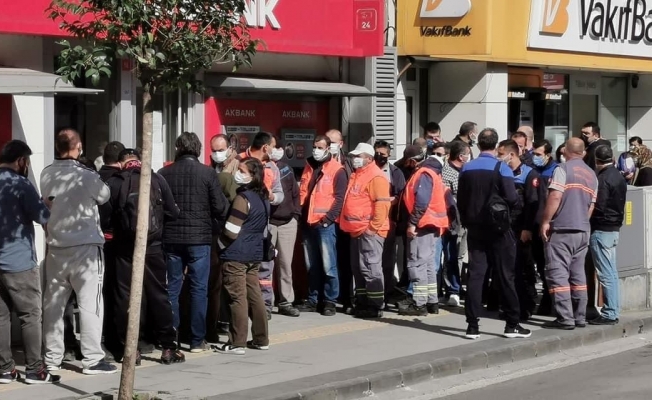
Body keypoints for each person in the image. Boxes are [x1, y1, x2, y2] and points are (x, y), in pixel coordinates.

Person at [40, 128, 116, 374]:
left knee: (53, 306)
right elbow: (105, 196)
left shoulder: (46, 173)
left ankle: (52, 359)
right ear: (79, 146)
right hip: (85, 249)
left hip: (56, 248)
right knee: (90, 304)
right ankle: (92, 358)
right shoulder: (87, 175)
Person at [107, 149, 185, 365]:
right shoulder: (156, 179)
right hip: (153, 247)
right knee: (159, 295)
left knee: (124, 297)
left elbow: (105, 217)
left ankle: (130, 351)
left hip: (124, 249)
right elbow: (173, 212)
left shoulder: (115, 182)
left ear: (122, 163)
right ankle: (168, 348)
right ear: (139, 161)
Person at [457, 128, 530, 340]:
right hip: (500, 229)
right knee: (505, 275)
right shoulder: (502, 168)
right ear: (496, 146)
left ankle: (472, 325)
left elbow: (461, 199)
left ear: (478, 145)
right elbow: (511, 198)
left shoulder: (467, 168)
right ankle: (512, 324)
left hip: (475, 229)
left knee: (476, 275)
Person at [158, 131, 228, 353]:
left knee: (172, 288)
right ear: (197, 149)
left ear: (177, 148)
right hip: (200, 239)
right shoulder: (207, 173)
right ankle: (197, 340)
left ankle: (172, 338)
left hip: (171, 238)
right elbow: (220, 207)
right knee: (199, 289)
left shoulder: (164, 173)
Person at [0, 140, 59, 384]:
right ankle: (35, 369)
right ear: (21, 161)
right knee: (30, 315)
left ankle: (5, 369)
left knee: (1, 317)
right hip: (19, 261)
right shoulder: (21, 184)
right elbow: (41, 216)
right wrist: (46, 204)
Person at [540, 138, 598, 330]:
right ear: (583, 152)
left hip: (562, 229)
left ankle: (565, 318)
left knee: (558, 274)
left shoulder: (562, 169)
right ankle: (580, 316)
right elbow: (591, 207)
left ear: (565, 150)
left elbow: (555, 196)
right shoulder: (592, 175)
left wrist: (546, 221)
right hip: (582, 230)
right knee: (578, 275)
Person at [215, 158, 270, 355]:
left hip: (236, 253)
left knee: (237, 297)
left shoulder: (242, 198)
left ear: (252, 176)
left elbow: (231, 230)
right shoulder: (263, 198)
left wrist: (219, 245)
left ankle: (237, 342)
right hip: (254, 253)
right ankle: (261, 338)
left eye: (242, 170)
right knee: (255, 295)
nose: (238, 173)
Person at [340, 143, 391, 319]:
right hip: (357, 230)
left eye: (358, 156)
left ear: (368, 159)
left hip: (369, 231)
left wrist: (372, 229)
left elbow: (382, 204)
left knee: (371, 268)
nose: (355, 159)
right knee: (359, 268)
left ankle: (375, 305)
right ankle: (362, 302)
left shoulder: (375, 176)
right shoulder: (358, 175)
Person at [237, 132, 284, 318]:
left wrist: (272, 197)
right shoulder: (240, 161)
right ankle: (245, 305)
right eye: (273, 146)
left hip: (264, 227)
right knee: (242, 268)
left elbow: (280, 194)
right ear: (266, 147)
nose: (275, 150)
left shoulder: (273, 167)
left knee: (265, 268)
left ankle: (264, 306)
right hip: (242, 224)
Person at [298, 135, 346, 316]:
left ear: (328, 149)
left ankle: (330, 301)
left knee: (329, 265)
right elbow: (304, 192)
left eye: (320, 147)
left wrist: (328, 219)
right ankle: (313, 299)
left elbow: (339, 198)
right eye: (315, 146)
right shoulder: (309, 166)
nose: (316, 150)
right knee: (312, 265)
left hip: (324, 224)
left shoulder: (337, 170)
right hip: (308, 223)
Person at [497, 140, 543, 320]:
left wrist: (527, 228)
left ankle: (526, 306)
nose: (498, 157)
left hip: (522, 228)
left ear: (512, 154)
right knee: (509, 269)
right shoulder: (503, 172)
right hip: (506, 227)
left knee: (524, 269)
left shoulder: (530, 174)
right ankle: (511, 306)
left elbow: (533, 204)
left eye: (501, 154)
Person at [401, 150, 450, 316]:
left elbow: (421, 201)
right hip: (433, 225)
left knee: (417, 264)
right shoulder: (435, 175)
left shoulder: (424, 173)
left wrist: (412, 223)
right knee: (428, 264)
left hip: (422, 224)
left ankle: (419, 303)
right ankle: (432, 301)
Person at [589, 145, 627, 325]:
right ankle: (612, 310)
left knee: (605, 272)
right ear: (612, 158)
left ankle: (610, 312)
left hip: (602, 229)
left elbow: (599, 206)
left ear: (597, 160)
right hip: (613, 228)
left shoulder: (602, 179)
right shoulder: (618, 176)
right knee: (611, 271)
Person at [96, 140, 126, 361]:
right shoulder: (121, 181)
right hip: (117, 242)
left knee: (98, 293)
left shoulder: (94, 178)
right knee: (117, 291)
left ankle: (101, 337)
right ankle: (115, 339)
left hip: (96, 242)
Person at [269, 137, 301, 317]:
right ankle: (265, 303)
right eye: (274, 147)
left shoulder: (286, 168)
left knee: (285, 265)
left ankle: (286, 301)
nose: (276, 150)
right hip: (269, 223)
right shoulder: (263, 168)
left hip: (288, 223)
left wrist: (295, 215)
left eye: (278, 147)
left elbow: (295, 194)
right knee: (265, 266)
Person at [326, 129, 355, 312]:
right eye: (327, 142)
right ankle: (329, 298)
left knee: (346, 261)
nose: (330, 146)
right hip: (328, 219)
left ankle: (347, 298)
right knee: (329, 261)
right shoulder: (320, 162)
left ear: (341, 144)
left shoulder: (350, 162)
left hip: (346, 219)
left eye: (333, 142)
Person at [374, 140, 406, 298]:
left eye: (383, 154)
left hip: (388, 222)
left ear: (389, 155)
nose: (379, 156)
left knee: (387, 260)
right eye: (377, 153)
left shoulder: (395, 173)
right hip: (369, 222)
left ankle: (386, 290)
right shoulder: (367, 170)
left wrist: (387, 202)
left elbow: (400, 196)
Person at [441, 140, 470, 307]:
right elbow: (447, 199)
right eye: (467, 154)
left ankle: (457, 287)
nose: (469, 157)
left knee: (460, 256)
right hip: (453, 221)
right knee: (452, 256)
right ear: (461, 156)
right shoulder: (447, 173)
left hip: (466, 220)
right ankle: (452, 289)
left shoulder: (465, 171)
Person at [209, 134, 239, 201]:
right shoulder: (211, 166)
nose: (217, 154)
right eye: (214, 151)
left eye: (220, 150)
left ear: (230, 149)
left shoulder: (238, 165)